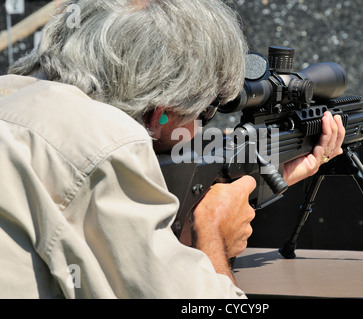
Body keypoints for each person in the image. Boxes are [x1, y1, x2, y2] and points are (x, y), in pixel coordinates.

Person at [0, 0, 345, 298]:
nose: (202, 128)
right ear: (162, 112)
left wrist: (269, 177)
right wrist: (213, 233)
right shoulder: (107, 144)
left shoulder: (13, 96)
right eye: (207, 111)